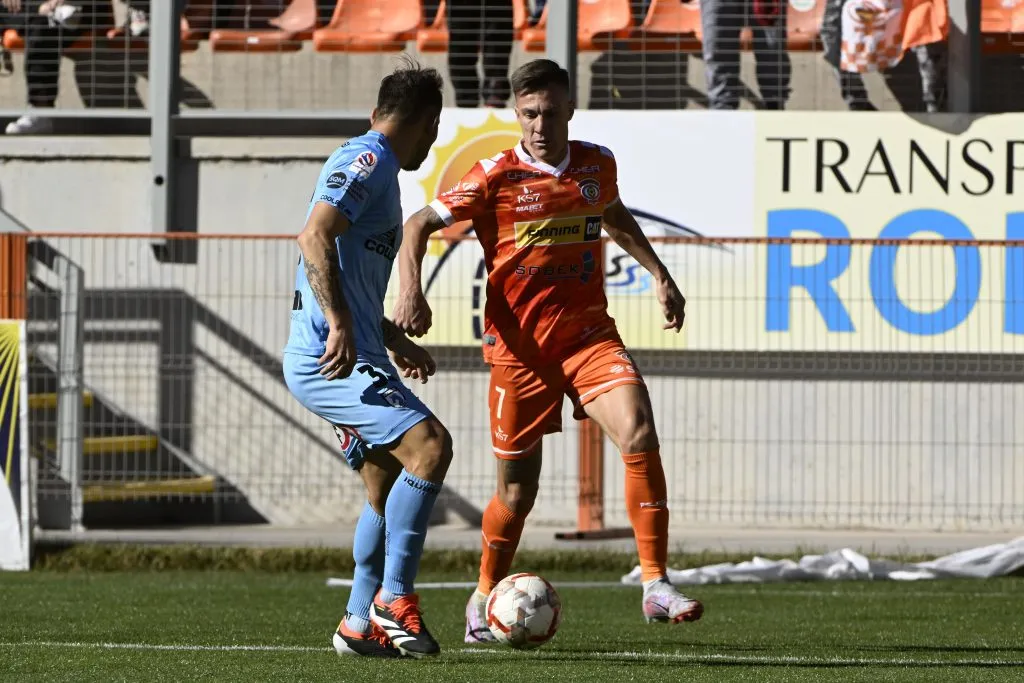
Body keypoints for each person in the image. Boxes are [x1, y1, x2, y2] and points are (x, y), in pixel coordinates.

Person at [393, 58, 704, 643]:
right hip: (520, 354)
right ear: (518, 113)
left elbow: (612, 214)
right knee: (518, 491)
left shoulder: (596, 164)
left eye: (550, 113)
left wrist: (659, 273)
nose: (540, 124)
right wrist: (411, 290)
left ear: (569, 111)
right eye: (529, 114)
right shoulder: (494, 175)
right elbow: (416, 226)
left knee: (638, 430)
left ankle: (655, 584)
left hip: (589, 337)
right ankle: (484, 594)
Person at [282, 62, 451, 659]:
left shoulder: (380, 169)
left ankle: (358, 620)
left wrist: (394, 341)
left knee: (384, 484)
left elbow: (349, 279)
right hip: (328, 358)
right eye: (432, 132)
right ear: (428, 124)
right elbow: (314, 236)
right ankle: (394, 600)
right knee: (430, 447)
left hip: (352, 353)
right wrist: (338, 324)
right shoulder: (369, 159)